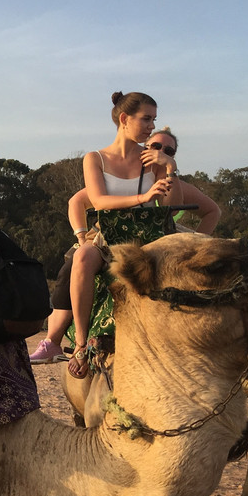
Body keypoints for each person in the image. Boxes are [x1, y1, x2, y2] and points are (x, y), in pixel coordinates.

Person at [29, 130, 219, 365]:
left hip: (155, 236)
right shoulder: (115, 172)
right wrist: (81, 236)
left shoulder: (167, 176)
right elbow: (78, 200)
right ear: (143, 147)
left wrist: (198, 240)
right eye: (155, 146)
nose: (160, 153)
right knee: (74, 266)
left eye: (168, 151)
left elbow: (196, 208)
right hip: (110, 235)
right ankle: (56, 340)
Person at [66, 95, 210, 378]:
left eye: (153, 119)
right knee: (82, 256)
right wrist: (142, 196)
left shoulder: (152, 159)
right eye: (146, 118)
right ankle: (81, 343)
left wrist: (169, 167)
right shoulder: (95, 158)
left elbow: (171, 208)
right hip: (109, 236)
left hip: (149, 238)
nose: (151, 126)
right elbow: (99, 200)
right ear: (124, 119)